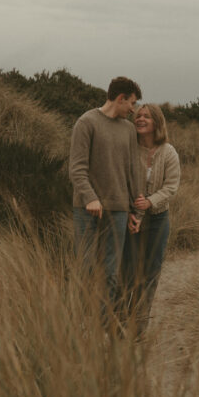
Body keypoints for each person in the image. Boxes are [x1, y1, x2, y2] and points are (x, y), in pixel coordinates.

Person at [69, 76, 146, 315]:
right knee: (86, 268)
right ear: (121, 98)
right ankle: (80, 322)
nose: (133, 110)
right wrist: (91, 198)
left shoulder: (128, 130)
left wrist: (136, 211)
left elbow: (132, 171)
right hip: (86, 209)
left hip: (119, 210)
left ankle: (103, 325)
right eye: (132, 103)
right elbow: (77, 168)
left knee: (111, 271)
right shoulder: (87, 122)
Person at [121, 102, 181, 335]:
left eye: (146, 116)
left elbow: (171, 187)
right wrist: (129, 211)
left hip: (157, 219)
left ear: (156, 122)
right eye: (138, 116)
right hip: (130, 219)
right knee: (127, 272)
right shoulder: (129, 148)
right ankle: (121, 321)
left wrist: (151, 201)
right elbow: (121, 179)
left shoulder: (168, 152)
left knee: (150, 272)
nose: (140, 119)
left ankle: (138, 327)